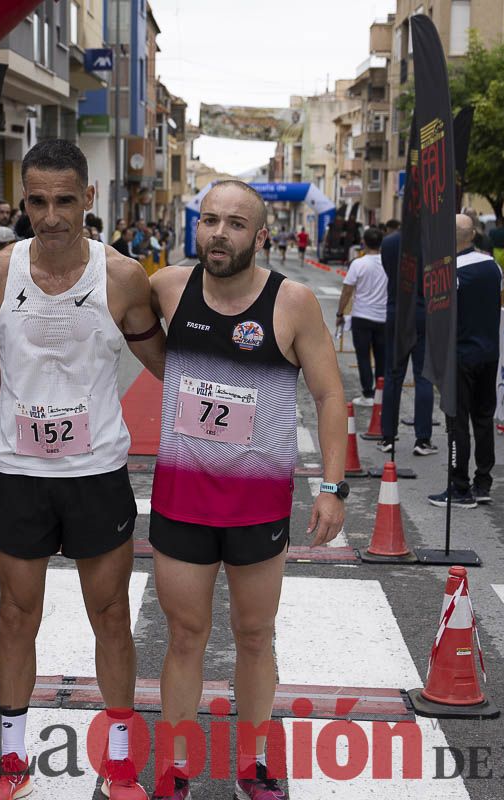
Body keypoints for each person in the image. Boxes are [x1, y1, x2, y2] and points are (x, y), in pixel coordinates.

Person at [0, 139, 166, 800]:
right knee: (17, 617)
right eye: (37, 202)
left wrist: (249, 384)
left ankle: (120, 763)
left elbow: (166, 364)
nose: (50, 216)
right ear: (23, 201)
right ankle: (13, 763)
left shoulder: (122, 277)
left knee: (111, 617)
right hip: (19, 475)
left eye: (65, 201)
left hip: (97, 473)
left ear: (88, 198)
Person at [147, 181, 347, 800]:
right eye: (209, 220)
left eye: (235, 224)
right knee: (185, 636)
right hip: (182, 499)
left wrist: (332, 486)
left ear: (260, 236)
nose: (219, 233)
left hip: (257, 504)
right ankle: (176, 767)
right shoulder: (168, 287)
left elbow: (329, 395)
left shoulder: (292, 303)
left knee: (255, 636)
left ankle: (254, 765)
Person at [429, 214, 502, 509]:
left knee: (457, 422)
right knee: (483, 420)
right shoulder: (493, 266)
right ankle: (482, 483)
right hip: (489, 353)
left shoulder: (450, 271)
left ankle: (459, 487)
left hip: (460, 355)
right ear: (472, 235)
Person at [377, 224, 437, 457]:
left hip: (397, 311)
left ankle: (387, 437)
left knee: (393, 376)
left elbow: (388, 272)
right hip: (423, 312)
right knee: (423, 377)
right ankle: (423, 439)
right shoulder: (432, 243)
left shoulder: (389, 242)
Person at [337, 227, 389, 406]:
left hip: (362, 316)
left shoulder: (358, 264)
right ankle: (380, 394)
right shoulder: (388, 262)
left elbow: (347, 291)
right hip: (383, 316)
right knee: (382, 357)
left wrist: (340, 313)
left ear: (364, 242)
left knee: (363, 356)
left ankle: (367, 394)